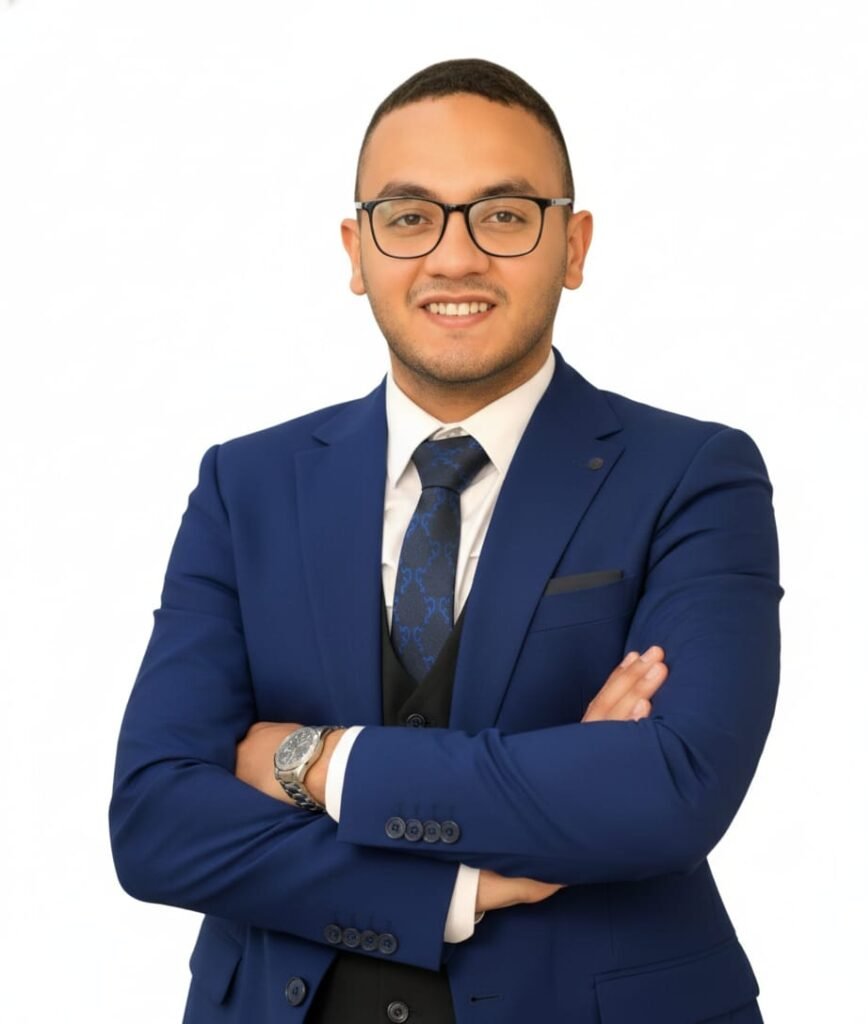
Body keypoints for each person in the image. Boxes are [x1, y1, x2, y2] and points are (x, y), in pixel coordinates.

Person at [110, 58, 783, 1024]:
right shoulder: (244, 484)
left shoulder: (694, 474)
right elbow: (156, 823)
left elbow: (672, 789)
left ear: (573, 245)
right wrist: (458, 884)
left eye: (504, 216)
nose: (455, 258)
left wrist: (315, 763)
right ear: (358, 251)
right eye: (409, 215)